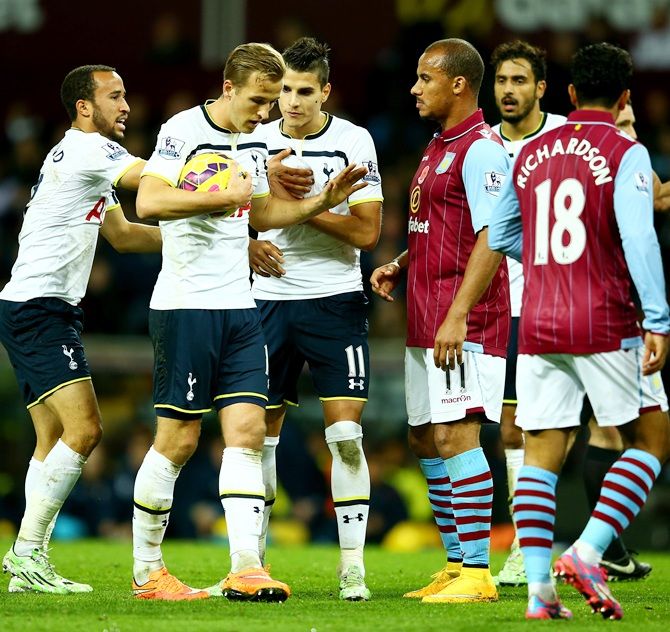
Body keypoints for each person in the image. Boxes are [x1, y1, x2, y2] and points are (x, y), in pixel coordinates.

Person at [131, 42, 367, 602]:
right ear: (230, 88)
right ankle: (147, 571)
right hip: (186, 305)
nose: (268, 113)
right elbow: (147, 202)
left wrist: (320, 203)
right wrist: (218, 196)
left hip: (242, 307)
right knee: (179, 440)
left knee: (247, 433)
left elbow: (260, 211)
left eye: (272, 101)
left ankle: (245, 567)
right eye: (260, 100)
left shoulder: (259, 140)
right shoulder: (181, 129)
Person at [489, 42, 670, 621]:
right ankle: (590, 552)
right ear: (623, 98)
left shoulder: (532, 149)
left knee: (543, 451)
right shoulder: (626, 151)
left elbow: (500, 234)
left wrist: (549, 261)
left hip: (539, 320)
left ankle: (540, 592)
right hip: (605, 318)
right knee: (652, 440)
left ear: (568, 94)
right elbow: (640, 240)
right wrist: (660, 318)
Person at [0, 64, 161, 593]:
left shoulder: (78, 156)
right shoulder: (95, 152)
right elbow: (152, 181)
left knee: (50, 436)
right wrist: (221, 176)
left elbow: (123, 235)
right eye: (115, 96)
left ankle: (28, 561)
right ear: (84, 106)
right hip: (40, 306)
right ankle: (27, 553)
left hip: (35, 304)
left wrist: (212, 243)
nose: (127, 106)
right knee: (85, 430)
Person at [370, 38, 510, 604]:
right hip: (426, 316)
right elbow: (444, 227)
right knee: (426, 438)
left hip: (465, 322)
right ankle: (455, 565)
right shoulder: (437, 145)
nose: (414, 87)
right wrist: (404, 263)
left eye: (425, 78)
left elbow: (494, 237)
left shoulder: (481, 149)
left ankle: (478, 573)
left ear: (458, 84)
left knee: (456, 434)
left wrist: (457, 314)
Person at [249, 37, 383, 602]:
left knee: (346, 436)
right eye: (284, 91)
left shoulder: (354, 141)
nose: (292, 102)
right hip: (267, 300)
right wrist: (248, 240)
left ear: (326, 91)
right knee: (256, 438)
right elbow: (232, 215)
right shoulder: (255, 139)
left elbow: (367, 232)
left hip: (334, 298)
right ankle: (253, 559)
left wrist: (317, 204)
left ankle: (352, 567)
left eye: (305, 91)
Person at [488, 40, 566, 588]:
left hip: (555, 305)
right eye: (501, 80)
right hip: (496, 308)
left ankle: (542, 544)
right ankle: (519, 546)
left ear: (541, 88)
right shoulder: (481, 143)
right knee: (506, 430)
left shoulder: (568, 139)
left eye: (520, 80)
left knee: (546, 428)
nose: (508, 91)